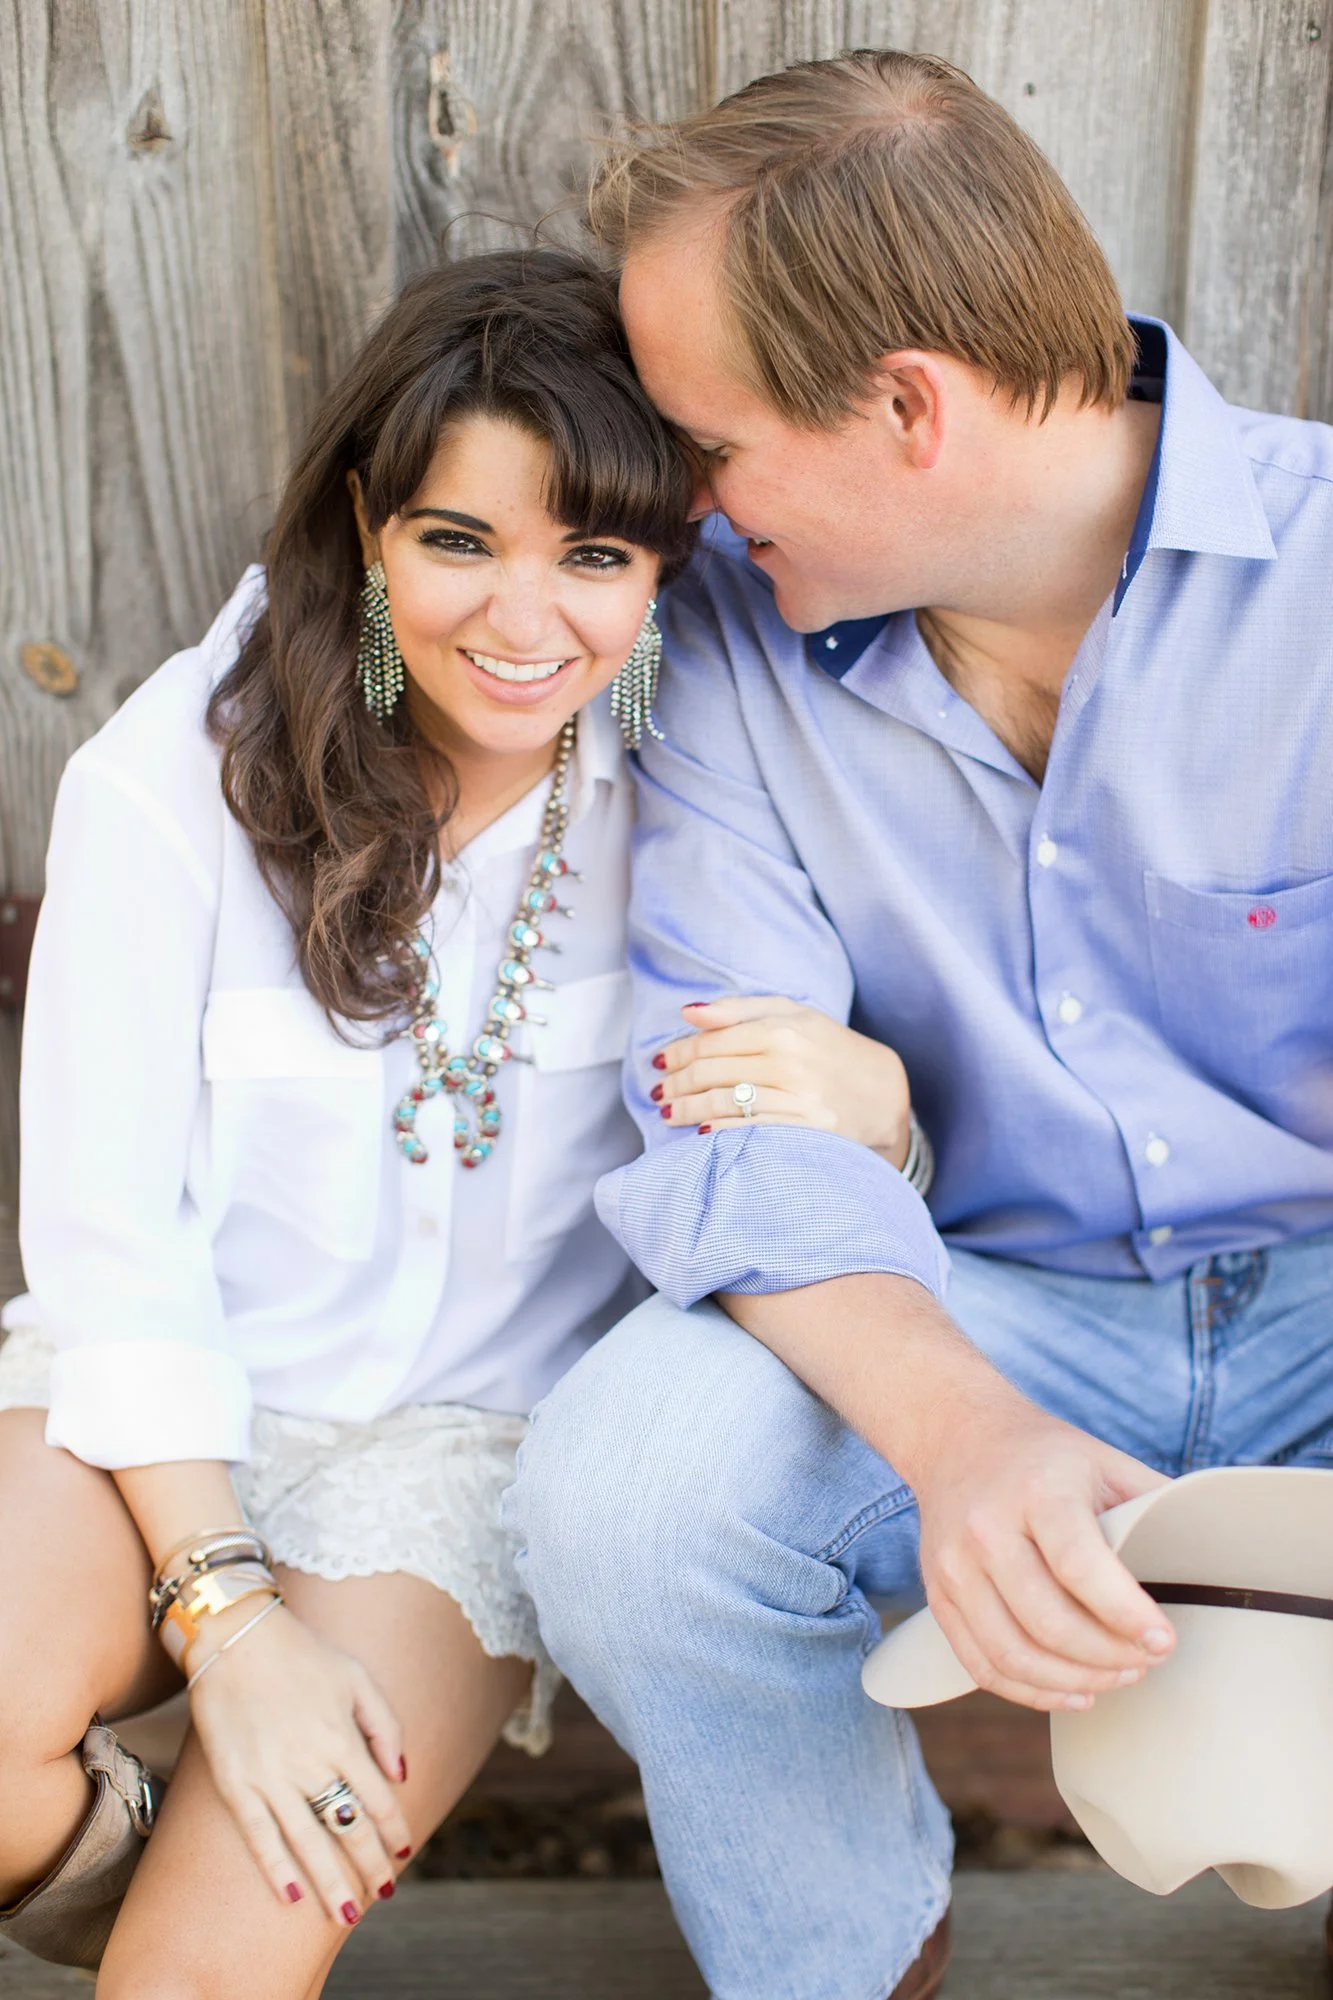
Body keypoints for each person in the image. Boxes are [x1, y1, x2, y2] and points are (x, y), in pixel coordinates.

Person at [506, 50, 1333, 2000]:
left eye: (708, 443)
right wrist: (964, 1435)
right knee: (625, 1489)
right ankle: (848, 1967)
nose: (678, 504)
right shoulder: (721, 638)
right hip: (976, 1293)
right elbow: (733, 1112)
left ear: (907, 408)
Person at [0, 247, 912, 1996]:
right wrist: (234, 1622)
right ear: (365, 523)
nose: (524, 619)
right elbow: (113, 1258)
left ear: (663, 565)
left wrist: (882, 1113)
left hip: (456, 1459)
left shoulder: (705, 803)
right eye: (458, 540)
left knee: (196, 1981)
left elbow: (839, 1143)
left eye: (594, 556)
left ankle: (218, 1896)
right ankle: (154, 1843)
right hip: (156, 1406)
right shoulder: (167, 779)